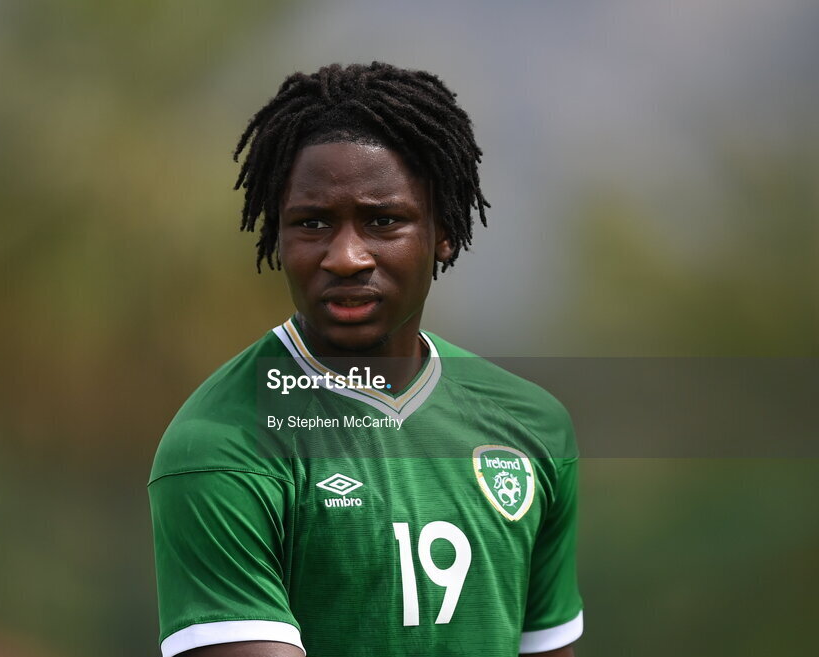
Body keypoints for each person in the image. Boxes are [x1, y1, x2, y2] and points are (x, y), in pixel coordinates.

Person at [149, 62, 582, 657]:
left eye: (383, 221)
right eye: (313, 223)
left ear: (444, 232)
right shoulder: (220, 447)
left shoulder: (531, 427)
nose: (346, 256)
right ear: (278, 235)